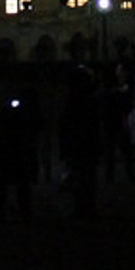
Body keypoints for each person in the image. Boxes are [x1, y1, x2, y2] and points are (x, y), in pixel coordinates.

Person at [0, 87, 40, 221]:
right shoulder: (26, 112)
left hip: (13, 148)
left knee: (14, 182)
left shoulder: (26, 112)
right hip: (16, 148)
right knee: (16, 182)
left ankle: (17, 212)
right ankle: (17, 212)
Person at [57, 66, 100, 220]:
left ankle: (82, 208)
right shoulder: (88, 100)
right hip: (85, 144)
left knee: (79, 178)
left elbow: (66, 124)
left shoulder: (74, 100)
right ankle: (86, 208)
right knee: (86, 178)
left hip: (77, 145)